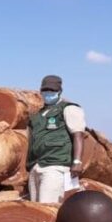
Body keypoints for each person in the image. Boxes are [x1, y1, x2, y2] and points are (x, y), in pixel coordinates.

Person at [26, 75, 87, 203]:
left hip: (55, 166)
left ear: (59, 91)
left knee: (48, 207)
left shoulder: (68, 108)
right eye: (45, 90)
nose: (48, 93)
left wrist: (77, 162)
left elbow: (78, 135)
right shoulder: (38, 115)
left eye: (52, 90)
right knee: (35, 209)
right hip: (36, 165)